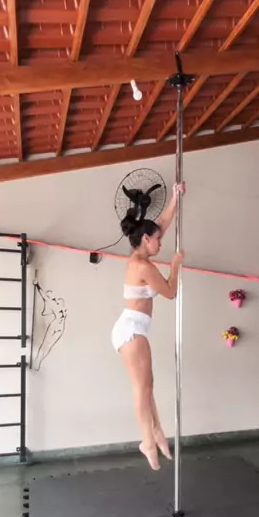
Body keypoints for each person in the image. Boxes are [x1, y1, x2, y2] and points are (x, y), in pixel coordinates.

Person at [112, 183, 185, 470]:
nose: (161, 243)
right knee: (142, 390)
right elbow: (170, 292)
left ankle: (156, 433)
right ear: (145, 239)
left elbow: (161, 223)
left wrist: (175, 197)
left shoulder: (141, 255)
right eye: (157, 240)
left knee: (147, 386)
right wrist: (175, 264)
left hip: (132, 328)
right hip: (131, 329)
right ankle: (147, 441)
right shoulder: (143, 266)